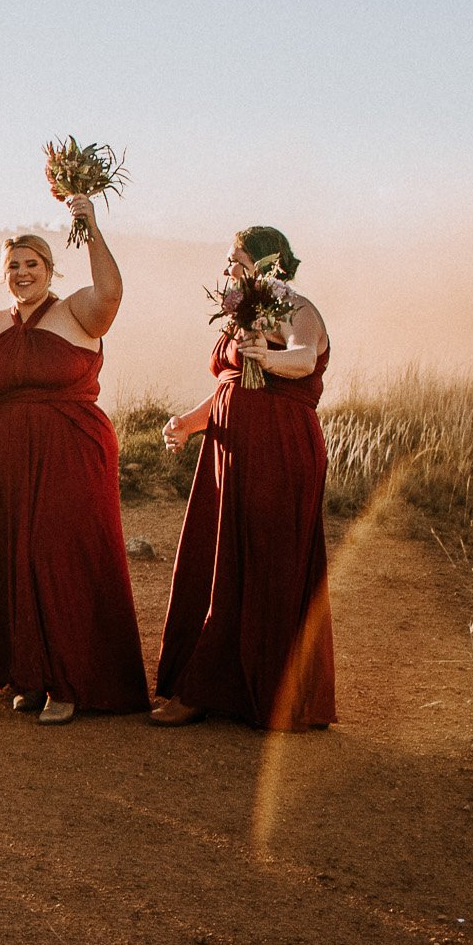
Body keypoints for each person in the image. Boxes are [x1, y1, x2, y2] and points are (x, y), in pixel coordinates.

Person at [0, 201, 149, 724]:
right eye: (14, 266)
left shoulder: (78, 311)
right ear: (4, 273)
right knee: (13, 556)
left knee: (59, 555)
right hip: (1, 460)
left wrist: (89, 224)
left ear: (50, 269)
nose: (22, 274)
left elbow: (111, 291)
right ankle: (31, 675)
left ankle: (70, 680)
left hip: (70, 452)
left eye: (33, 265)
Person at [152, 226, 337, 730]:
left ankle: (270, 695)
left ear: (266, 262)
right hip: (229, 451)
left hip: (280, 448)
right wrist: (189, 424)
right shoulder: (243, 316)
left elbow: (301, 357)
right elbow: (230, 384)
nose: (227, 268)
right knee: (219, 561)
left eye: (234, 259)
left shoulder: (298, 308)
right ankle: (208, 686)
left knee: (266, 561)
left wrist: (264, 354)